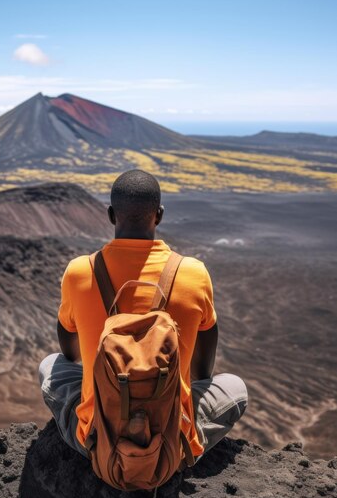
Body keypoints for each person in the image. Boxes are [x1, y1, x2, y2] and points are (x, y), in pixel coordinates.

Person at [39, 169, 248, 463]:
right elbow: (203, 370)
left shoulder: (79, 271)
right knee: (235, 387)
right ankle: (182, 440)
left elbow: (70, 352)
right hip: (170, 446)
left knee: (51, 365)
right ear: (159, 215)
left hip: (98, 443)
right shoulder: (193, 273)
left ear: (111, 215)